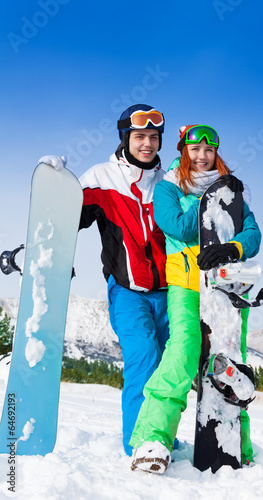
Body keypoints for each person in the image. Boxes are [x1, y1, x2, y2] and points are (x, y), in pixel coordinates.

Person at [130, 124, 261, 473]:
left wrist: (230, 247)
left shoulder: (231, 192)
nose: (202, 156)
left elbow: (253, 233)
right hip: (186, 282)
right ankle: (152, 439)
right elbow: (176, 226)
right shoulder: (169, 187)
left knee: (231, 359)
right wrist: (211, 202)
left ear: (216, 152)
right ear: (183, 151)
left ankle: (237, 442)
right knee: (184, 349)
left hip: (227, 286)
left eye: (209, 150)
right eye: (194, 149)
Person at [78, 104, 170, 457]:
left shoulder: (170, 182)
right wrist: (56, 186)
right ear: (125, 138)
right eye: (139, 137)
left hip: (170, 293)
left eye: (153, 137)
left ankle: (162, 436)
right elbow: (70, 213)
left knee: (168, 367)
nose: (147, 143)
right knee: (143, 356)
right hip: (128, 291)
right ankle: (140, 442)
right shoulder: (102, 176)